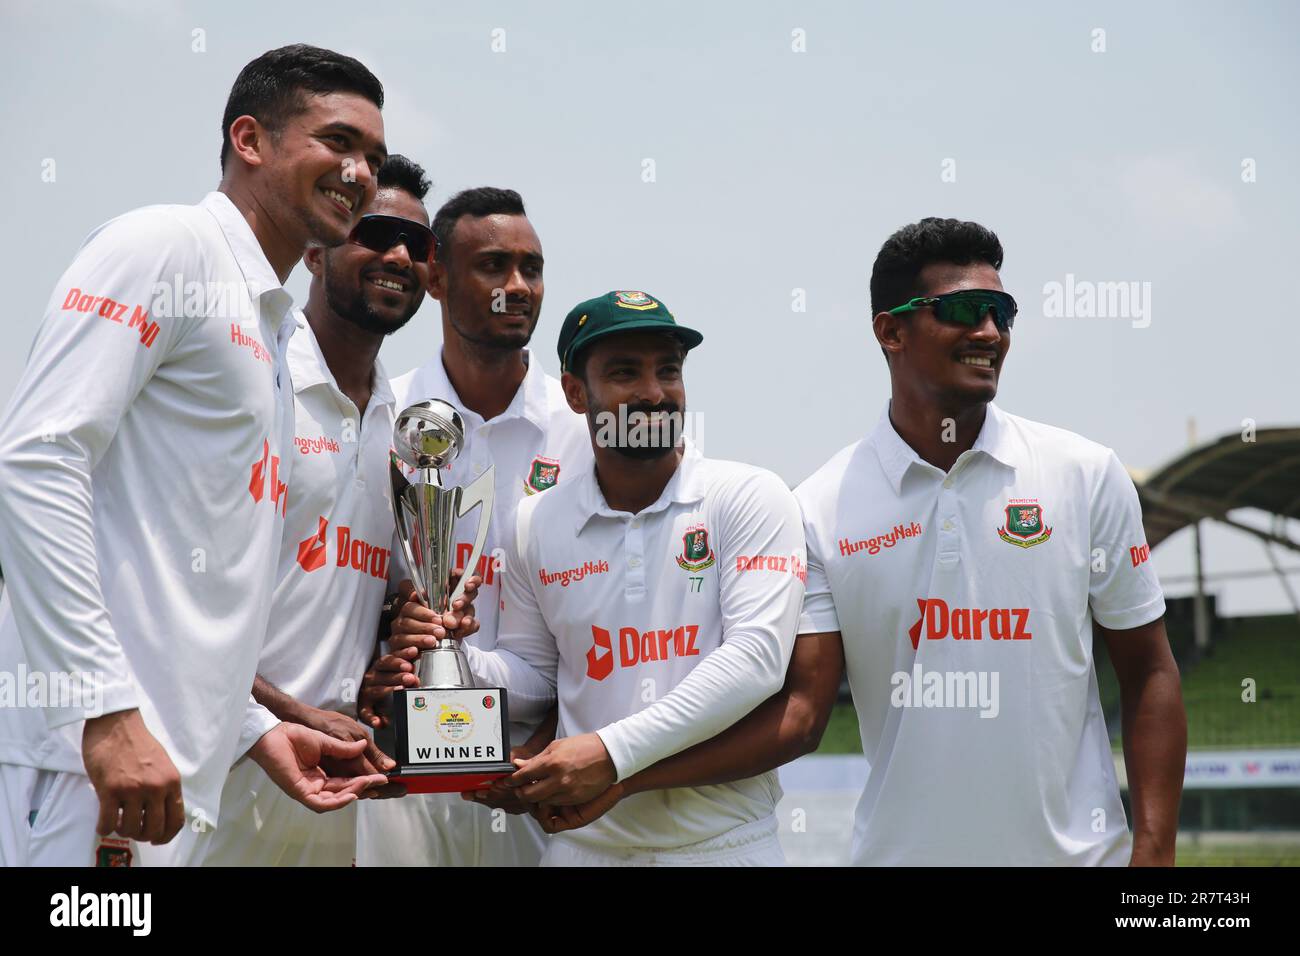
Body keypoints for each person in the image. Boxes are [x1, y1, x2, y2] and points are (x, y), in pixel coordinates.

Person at [0, 44, 391, 867]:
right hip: (87, 769)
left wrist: (254, 730)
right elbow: (36, 461)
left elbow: (187, 572)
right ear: (249, 140)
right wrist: (104, 710)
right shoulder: (164, 246)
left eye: (374, 156)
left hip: (174, 780)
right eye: (337, 141)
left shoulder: (275, 327)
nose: (360, 172)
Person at [794, 217, 1186, 865]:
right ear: (890, 330)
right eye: (964, 310)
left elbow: (1149, 671)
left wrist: (1154, 849)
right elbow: (802, 710)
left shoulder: (1083, 473)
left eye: (1002, 312)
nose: (989, 332)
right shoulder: (816, 507)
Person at [392, 290, 808, 866]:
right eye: (624, 373)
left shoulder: (748, 496)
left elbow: (755, 662)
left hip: (723, 845)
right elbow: (537, 674)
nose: (654, 393)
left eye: (669, 370)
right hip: (583, 847)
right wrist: (452, 653)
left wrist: (611, 755)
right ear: (574, 393)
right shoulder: (537, 521)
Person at [202, 155, 452, 866]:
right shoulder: (251, 376)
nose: (399, 256)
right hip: (206, 769)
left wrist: (405, 638)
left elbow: (373, 598)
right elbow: (163, 585)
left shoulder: (407, 427)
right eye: (375, 232)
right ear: (317, 247)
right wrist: (278, 712)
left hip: (327, 788)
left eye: (419, 246)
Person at [354, 188, 590, 867]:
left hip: (537, 772)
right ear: (436, 279)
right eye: (492, 266)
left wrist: (546, 747)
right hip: (399, 766)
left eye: (531, 268)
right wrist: (396, 622)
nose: (517, 286)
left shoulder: (581, 433)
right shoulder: (381, 414)